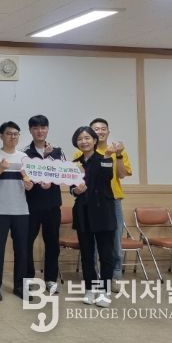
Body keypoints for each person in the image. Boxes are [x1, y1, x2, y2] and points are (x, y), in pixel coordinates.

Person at [0, 121, 34, 302]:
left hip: (21, 210)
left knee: (22, 250)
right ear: (2, 136)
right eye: (9, 133)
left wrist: (29, 184)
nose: (13, 137)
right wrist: (0, 168)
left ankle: (20, 286)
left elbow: (29, 182)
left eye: (16, 134)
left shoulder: (24, 157)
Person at [70, 126, 116, 308]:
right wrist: (76, 190)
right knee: (87, 254)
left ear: (95, 140)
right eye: (80, 139)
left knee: (106, 254)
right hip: (83, 212)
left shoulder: (104, 158)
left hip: (103, 212)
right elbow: (71, 187)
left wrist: (108, 157)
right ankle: (90, 288)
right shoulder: (75, 163)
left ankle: (104, 291)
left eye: (87, 138)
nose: (84, 141)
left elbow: (107, 177)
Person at [85, 118, 132, 289]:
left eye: (103, 128)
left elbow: (122, 174)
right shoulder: (83, 151)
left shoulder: (118, 150)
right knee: (92, 242)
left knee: (115, 240)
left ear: (108, 132)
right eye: (96, 129)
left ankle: (115, 276)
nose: (100, 131)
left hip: (113, 200)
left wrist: (118, 155)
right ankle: (96, 276)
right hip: (90, 201)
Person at [23, 115, 64, 294]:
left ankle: (50, 279)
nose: (40, 131)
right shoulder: (24, 152)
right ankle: (29, 278)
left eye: (43, 127)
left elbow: (62, 174)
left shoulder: (58, 151)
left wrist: (51, 179)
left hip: (52, 205)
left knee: (52, 244)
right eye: (36, 128)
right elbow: (23, 175)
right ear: (30, 130)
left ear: (47, 129)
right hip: (30, 206)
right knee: (26, 242)